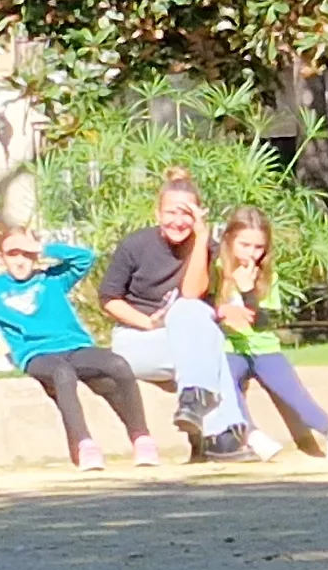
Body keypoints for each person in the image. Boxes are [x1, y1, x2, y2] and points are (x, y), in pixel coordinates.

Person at [99, 171, 255, 462]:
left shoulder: (205, 248)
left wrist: (201, 238)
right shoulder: (135, 245)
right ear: (157, 213)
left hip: (181, 339)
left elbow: (192, 292)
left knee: (190, 308)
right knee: (209, 350)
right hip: (137, 339)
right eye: (171, 212)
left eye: (187, 214)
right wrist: (147, 322)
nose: (178, 221)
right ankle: (224, 435)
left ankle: (194, 402)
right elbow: (109, 299)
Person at [0, 222, 155, 470]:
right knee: (63, 374)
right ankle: (84, 445)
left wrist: (41, 247)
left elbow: (86, 258)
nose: (20, 260)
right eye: (12, 253)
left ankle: (142, 438)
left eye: (26, 254)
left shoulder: (53, 279)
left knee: (118, 365)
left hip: (75, 346)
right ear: (2, 257)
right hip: (36, 353)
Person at [214, 207, 328, 461]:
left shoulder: (266, 274)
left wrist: (249, 292)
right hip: (228, 347)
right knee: (227, 386)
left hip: (263, 347)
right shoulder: (215, 269)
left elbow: (261, 323)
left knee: (292, 390)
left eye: (258, 247)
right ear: (228, 240)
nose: (251, 254)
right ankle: (249, 434)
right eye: (244, 245)